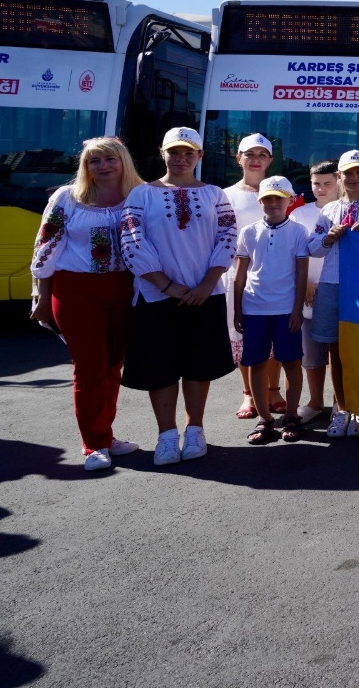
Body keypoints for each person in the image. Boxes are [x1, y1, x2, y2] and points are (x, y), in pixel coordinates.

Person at [118, 127, 238, 466]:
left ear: (200, 156)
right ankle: (166, 435)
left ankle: (195, 429)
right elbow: (131, 240)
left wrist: (207, 283)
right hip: (156, 296)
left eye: (188, 152)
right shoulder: (142, 194)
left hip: (205, 293)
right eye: (174, 151)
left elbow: (228, 236)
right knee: (160, 367)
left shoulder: (215, 194)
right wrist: (166, 285)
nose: (181, 158)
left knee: (199, 365)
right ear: (163, 153)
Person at [30, 136, 145, 471]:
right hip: (74, 290)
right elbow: (45, 248)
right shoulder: (67, 198)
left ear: (123, 162)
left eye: (110, 159)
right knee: (89, 367)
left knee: (112, 365)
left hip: (124, 289)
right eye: (95, 161)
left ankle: (105, 434)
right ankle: (94, 444)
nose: (103, 166)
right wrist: (42, 296)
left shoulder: (140, 196)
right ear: (85, 166)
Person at [306, 149, 359, 439]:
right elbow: (312, 248)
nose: (354, 178)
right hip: (332, 283)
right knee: (335, 349)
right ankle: (341, 407)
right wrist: (329, 237)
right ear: (339, 177)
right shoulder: (328, 210)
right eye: (348, 173)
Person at [232, 176, 310, 445]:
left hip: (286, 308)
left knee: (291, 362)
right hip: (254, 308)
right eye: (267, 198)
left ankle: (291, 415)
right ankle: (264, 419)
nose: (273, 203)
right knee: (256, 363)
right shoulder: (249, 232)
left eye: (279, 198)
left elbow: (301, 273)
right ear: (260, 201)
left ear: (290, 200)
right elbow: (240, 274)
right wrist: (237, 309)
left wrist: (297, 310)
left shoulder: (299, 231)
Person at [223, 134, 275, 422]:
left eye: (262, 154)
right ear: (238, 158)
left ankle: (273, 390)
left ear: (270, 160)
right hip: (239, 277)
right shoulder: (225, 195)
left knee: (276, 335)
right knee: (244, 335)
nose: (256, 159)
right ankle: (248, 393)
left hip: (277, 276)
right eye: (249, 154)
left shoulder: (282, 190)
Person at [288, 161, 337, 424]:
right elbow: (292, 252)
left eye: (327, 183)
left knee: (339, 354)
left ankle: (341, 403)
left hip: (339, 291)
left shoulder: (346, 210)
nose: (321, 189)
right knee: (311, 354)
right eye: (316, 183)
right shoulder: (299, 214)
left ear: (338, 181)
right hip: (307, 293)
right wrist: (305, 282)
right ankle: (316, 402)